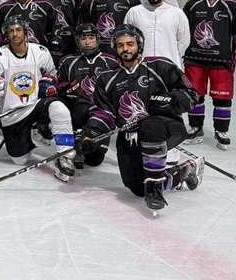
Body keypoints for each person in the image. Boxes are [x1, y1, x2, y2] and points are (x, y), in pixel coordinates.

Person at [83, 24, 203, 212]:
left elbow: (192, 94)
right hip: (130, 137)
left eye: (130, 44)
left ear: (139, 45)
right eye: (120, 45)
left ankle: (155, 188)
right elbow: (102, 112)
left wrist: (172, 100)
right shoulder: (106, 79)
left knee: (150, 125)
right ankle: (183, 171)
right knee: (138, 189)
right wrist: (92, 134)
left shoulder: (160, 66)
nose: (125, 49)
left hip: (167, 128)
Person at [0, 16, 76, 182]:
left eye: (18, 30)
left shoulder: (40, 52)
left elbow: (51, 73)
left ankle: (65, 154)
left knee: (59, 107)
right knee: (19, 160)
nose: (15, 34)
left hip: (35, 105)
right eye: (11, 31)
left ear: (25, 32)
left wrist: (49, 82)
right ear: (7, 35)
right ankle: (28, 137)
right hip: (12, 114)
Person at [181, 0, 236, 147]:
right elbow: (181, 29)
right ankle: (196, 128)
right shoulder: (193, 4)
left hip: (222, 61)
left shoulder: (233, 4)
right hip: (194, 59)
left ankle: (221, 131)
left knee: (222, 97)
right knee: (194, 96)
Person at [53, 23, 119, 168]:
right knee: (81, 106)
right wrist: (67, 89)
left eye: (91, 38)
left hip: (102, 114)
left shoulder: (112, 61)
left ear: (98, 40)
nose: (87, 42)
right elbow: (59, 85)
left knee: (95, 160)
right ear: (77, 41)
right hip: (78, 111)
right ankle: (76, 141)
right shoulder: (68, 61)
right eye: (83, 38)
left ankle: (87, 142)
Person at [125, 0, 190, 67]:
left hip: (170, 65)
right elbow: (127, 38)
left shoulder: (177, 13)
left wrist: (173, 55)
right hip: (141, 65)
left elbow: (183, 41)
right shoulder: (134, 12)